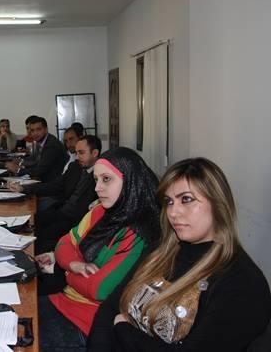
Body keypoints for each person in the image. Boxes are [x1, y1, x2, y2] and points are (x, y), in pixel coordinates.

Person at [104, 158, 271, 351]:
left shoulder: (241, 281)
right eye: (169, 202)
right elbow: (109, 307)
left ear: (218, 203)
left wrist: (123, 329)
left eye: (186, 199)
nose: (173, 212)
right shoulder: (158, 250)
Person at [36, 147, 161, 351]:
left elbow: (100, 289)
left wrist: (66, 271)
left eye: (106, 179)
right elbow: (63, 243)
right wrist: (74, 265)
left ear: (130, 181)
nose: (97, 188)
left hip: (87, 325)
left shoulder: (141, 233)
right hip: (63, 300)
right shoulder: (100, 212)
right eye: (96, 180)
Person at [34, 135, 102, 253]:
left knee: (41, 238)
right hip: (61, 210)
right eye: (76, 153)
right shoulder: (75, 167)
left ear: (95, 153)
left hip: (77, 222)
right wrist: (25, 188)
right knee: (34, 221)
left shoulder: (102, 176)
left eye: (81, 153)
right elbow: (55, 185)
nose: (77, 157)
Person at [5, 116, 69, 182]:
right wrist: (20, 164)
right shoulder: (42, 141)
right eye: (32, 130)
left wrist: (18, 170)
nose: (35, 133)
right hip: (44, 178)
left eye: (38, 129)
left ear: (46, 129)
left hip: (52, 182)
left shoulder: (51, 145)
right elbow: (36, 161)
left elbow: (40, 170)